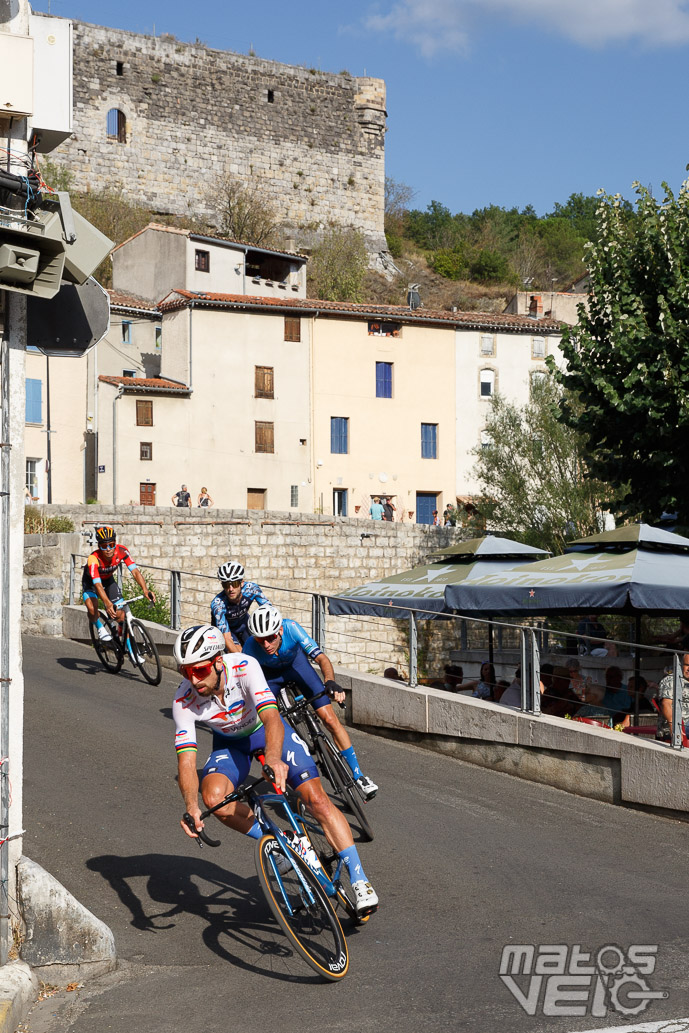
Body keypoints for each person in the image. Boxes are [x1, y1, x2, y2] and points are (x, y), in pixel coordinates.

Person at [173, 624, 378, 917]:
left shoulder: (245, 666)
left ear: (218, 661)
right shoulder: (184, 699)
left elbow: (270, 717)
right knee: (213, 799)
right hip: (230, 744)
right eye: (185, 672)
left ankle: (359, 880)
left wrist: (272, 758)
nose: (193, 679)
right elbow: (186, 761)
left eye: (199, 670)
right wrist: (191, 806)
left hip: (265, 731)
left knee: (317, 799)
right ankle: (282, 842)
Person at [243, 604, 379, 800]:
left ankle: (359, 776)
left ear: (280, 630)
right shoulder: (249, 648)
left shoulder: (291, 628)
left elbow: (321, 658)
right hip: (270, 677)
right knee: (270, 719)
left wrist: (330, 680)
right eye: (260, 640)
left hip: (296, 666)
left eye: (271, 637)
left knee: (330, 719)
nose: (266, 645)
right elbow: (245, 680)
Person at [82, 525, 155, 642]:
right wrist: (107, 603)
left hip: (108, 581)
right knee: (92, 607)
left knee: (120, 615)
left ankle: (128, 647)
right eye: (104, 546)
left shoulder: (122, 551)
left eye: (111, 545)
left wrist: (145, 590)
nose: (108, 549)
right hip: (92, 583)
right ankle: (100, 628)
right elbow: (98, 585)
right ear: (99, 546)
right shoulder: (93, 559)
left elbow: (135, 572)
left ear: (115, 543)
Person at [210, 561, 270, 653]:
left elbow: (270, 610)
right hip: (228, 630)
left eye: (234, 584)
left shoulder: (252, 589)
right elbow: (227, 638)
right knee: (238, 653)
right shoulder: (218, 604)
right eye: (226, 585)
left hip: (244, 623)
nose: (230, 589)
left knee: (259, 648)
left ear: (241, 583)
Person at [656, 653, 689, 741]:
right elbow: (665, 704)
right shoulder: (672, 680)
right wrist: (673, 726)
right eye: (687, 665)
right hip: (679, 725)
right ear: (681, 665)